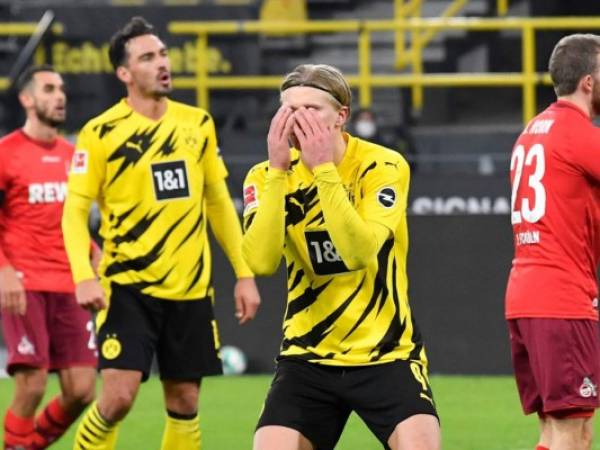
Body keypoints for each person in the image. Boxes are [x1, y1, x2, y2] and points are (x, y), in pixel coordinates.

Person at [61, 16, 261, 450]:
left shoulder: (197, 124)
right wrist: (83, 274)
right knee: (117, 398)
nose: (162, 63)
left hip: (190, 287)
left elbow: (218, 202)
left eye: (164, 54)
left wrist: (243, 272)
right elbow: (75, 211)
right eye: (148, 57)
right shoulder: (100, 133)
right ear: (125, 74)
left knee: (186, 399)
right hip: (126, 287)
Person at [242, 64, 440, 450]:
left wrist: (323, 171)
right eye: (288, 109)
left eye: (312, 109)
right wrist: (280, 173)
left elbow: (357, 252)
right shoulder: (264, 175)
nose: (298, 120)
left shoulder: (383, 165)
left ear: (341, 116)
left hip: (386, 352)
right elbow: (261, 262)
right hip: (307, 356)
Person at [505, 33, 600, 450]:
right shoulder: (576, 133)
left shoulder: (532, 131)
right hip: (562, 299)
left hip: (528, 295)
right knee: (570, 433)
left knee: (565, 430)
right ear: (589, 82)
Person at [0, 65, 98, 450]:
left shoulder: (75, 157)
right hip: (24, 284)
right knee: (32, 384)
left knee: (82, 389)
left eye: (62, 89)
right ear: (27, 99)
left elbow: (71, 219)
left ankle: (25, 445)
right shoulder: (6, 153)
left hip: (69, 283)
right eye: (49, 89)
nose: (60, 96)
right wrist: (3, 270)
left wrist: (92, 252)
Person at [351, 108, 418, 173]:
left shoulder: (383, 145)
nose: (365, 123)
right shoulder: (349, 144)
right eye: (362, 119)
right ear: (355, 122)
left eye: (368, 119)